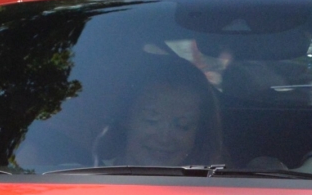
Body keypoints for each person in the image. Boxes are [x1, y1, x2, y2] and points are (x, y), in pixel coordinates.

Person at [92, 55, 223, 167]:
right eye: (152, 119)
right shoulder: (83, 181)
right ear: (126, 117)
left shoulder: (218, 191)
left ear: (199, 132)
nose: (164, 138)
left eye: (183, 125)